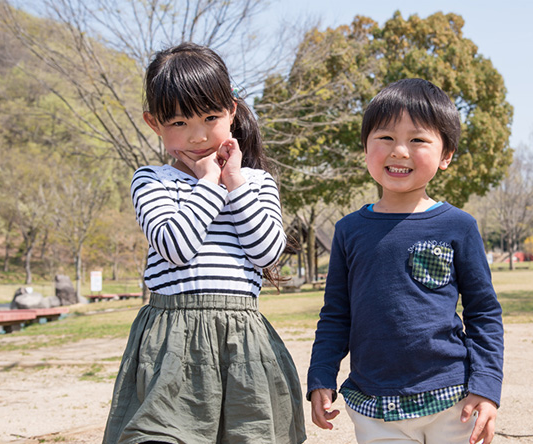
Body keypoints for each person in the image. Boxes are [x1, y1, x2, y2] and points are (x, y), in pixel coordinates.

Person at [102, 42, 306, 444]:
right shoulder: (151, 181)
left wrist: (234, 181)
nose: (197, 136)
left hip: (243, 342)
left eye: (210, 117)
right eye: (178, 123)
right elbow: (176, 247)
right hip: (170, 341)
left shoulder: (257, 183)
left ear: (231, 111)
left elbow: (268, 251)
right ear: (153, 123)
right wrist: (210, 183)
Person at [307, 78, 504, 444]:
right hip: (374, 405)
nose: (399, 151)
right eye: (385, 137)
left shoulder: (458, 225)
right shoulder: (349, 230)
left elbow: (484, 313)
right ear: (365, 147)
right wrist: (321, 375)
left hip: (452, 398)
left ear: (446, 155)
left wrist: (487, 386)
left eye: (418, 140)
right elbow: (336, 313)